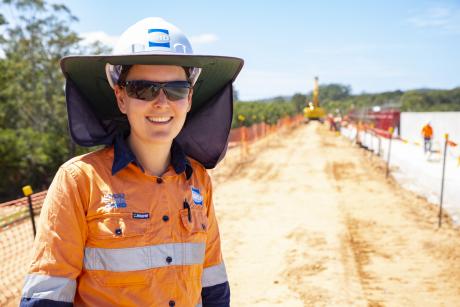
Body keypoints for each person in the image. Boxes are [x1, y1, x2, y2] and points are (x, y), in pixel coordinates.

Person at [20, 17, 243, 307]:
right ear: (121, 98)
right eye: (144, 89)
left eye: (175, 89)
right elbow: (47, 294)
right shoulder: (79, 181)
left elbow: (212, 282)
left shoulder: (198, 179)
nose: (161, 102)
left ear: (189, 99)